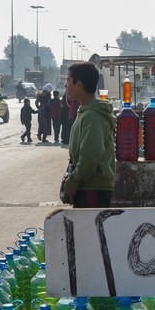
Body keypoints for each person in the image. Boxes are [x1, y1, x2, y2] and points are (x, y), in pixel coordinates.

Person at [62, 61, 116, 209]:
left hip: (93, 189)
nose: (65, 85)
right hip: (88, 188)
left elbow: (90, 156)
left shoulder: (92, 115)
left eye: (68, 80)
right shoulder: (86, 112)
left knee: (89, 231)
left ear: (79, 84)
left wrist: (73, 182)